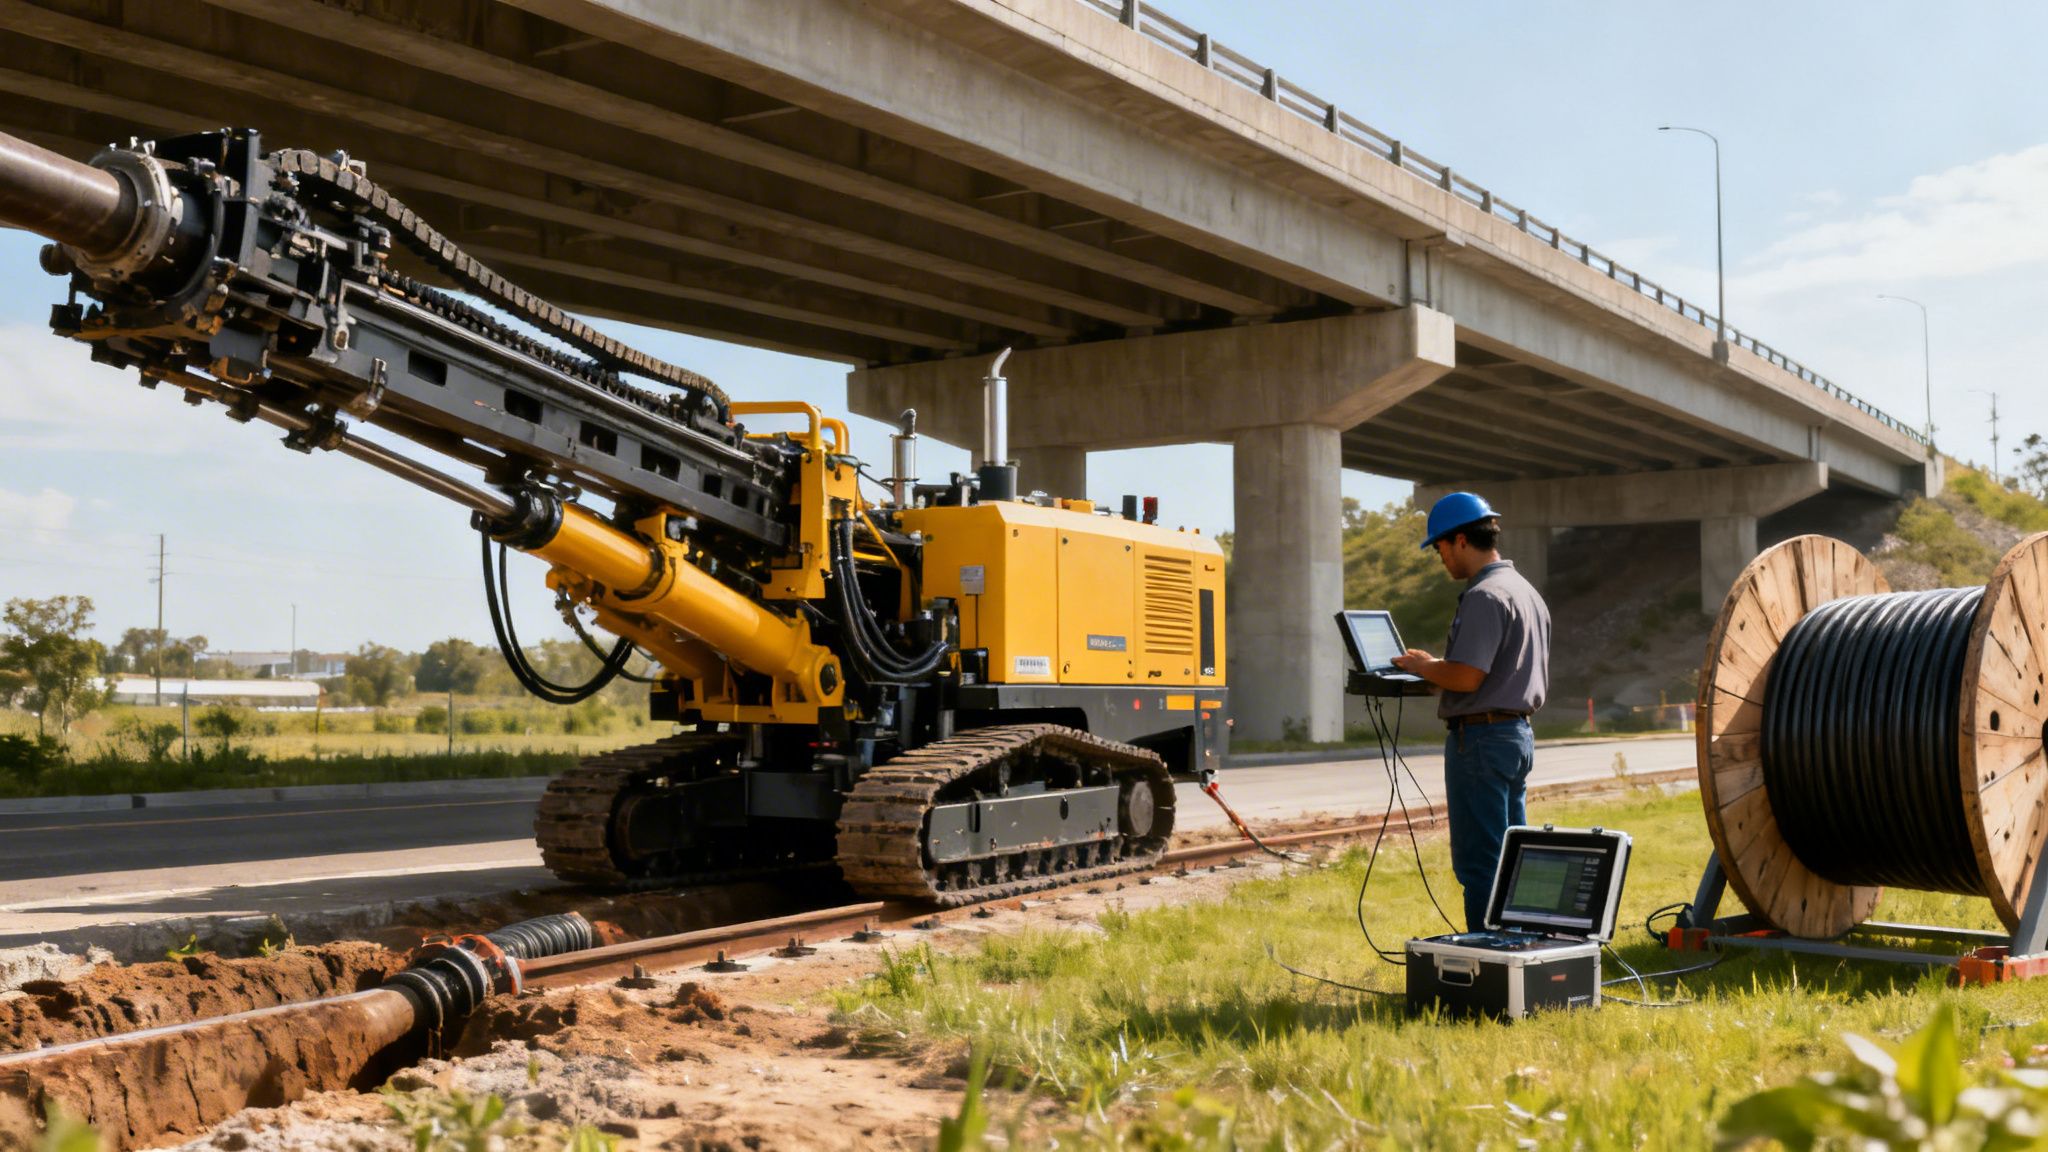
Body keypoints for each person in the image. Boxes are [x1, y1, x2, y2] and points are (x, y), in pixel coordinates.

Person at [1390, 492, 1551, 931]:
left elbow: (1467, 677)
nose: (1440, 558)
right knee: (1512, 857)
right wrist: (1433, 668)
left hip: (1480, 740)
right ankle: (1519, 947)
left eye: (1439, 547)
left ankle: (1488, 963)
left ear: (1460, 540)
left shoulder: (1484, 594)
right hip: (1516, 736)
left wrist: (1426, 667)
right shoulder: (1525, 591)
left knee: (1481, 863)